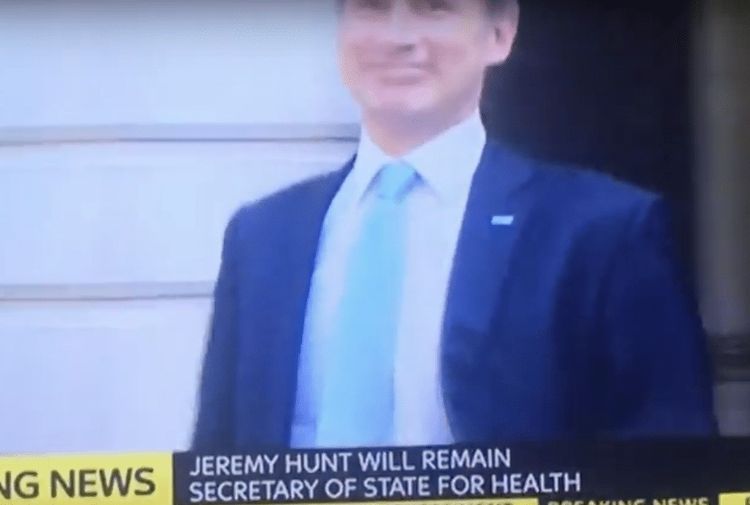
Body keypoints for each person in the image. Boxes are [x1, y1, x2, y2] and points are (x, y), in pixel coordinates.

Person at [192, 0, 717, 451]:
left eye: (434, 8)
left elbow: (671, 467)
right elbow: (216, 461)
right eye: (372, 7)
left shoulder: (602, 230)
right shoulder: (262, 237)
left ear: (500, 32)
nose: (398, 37)